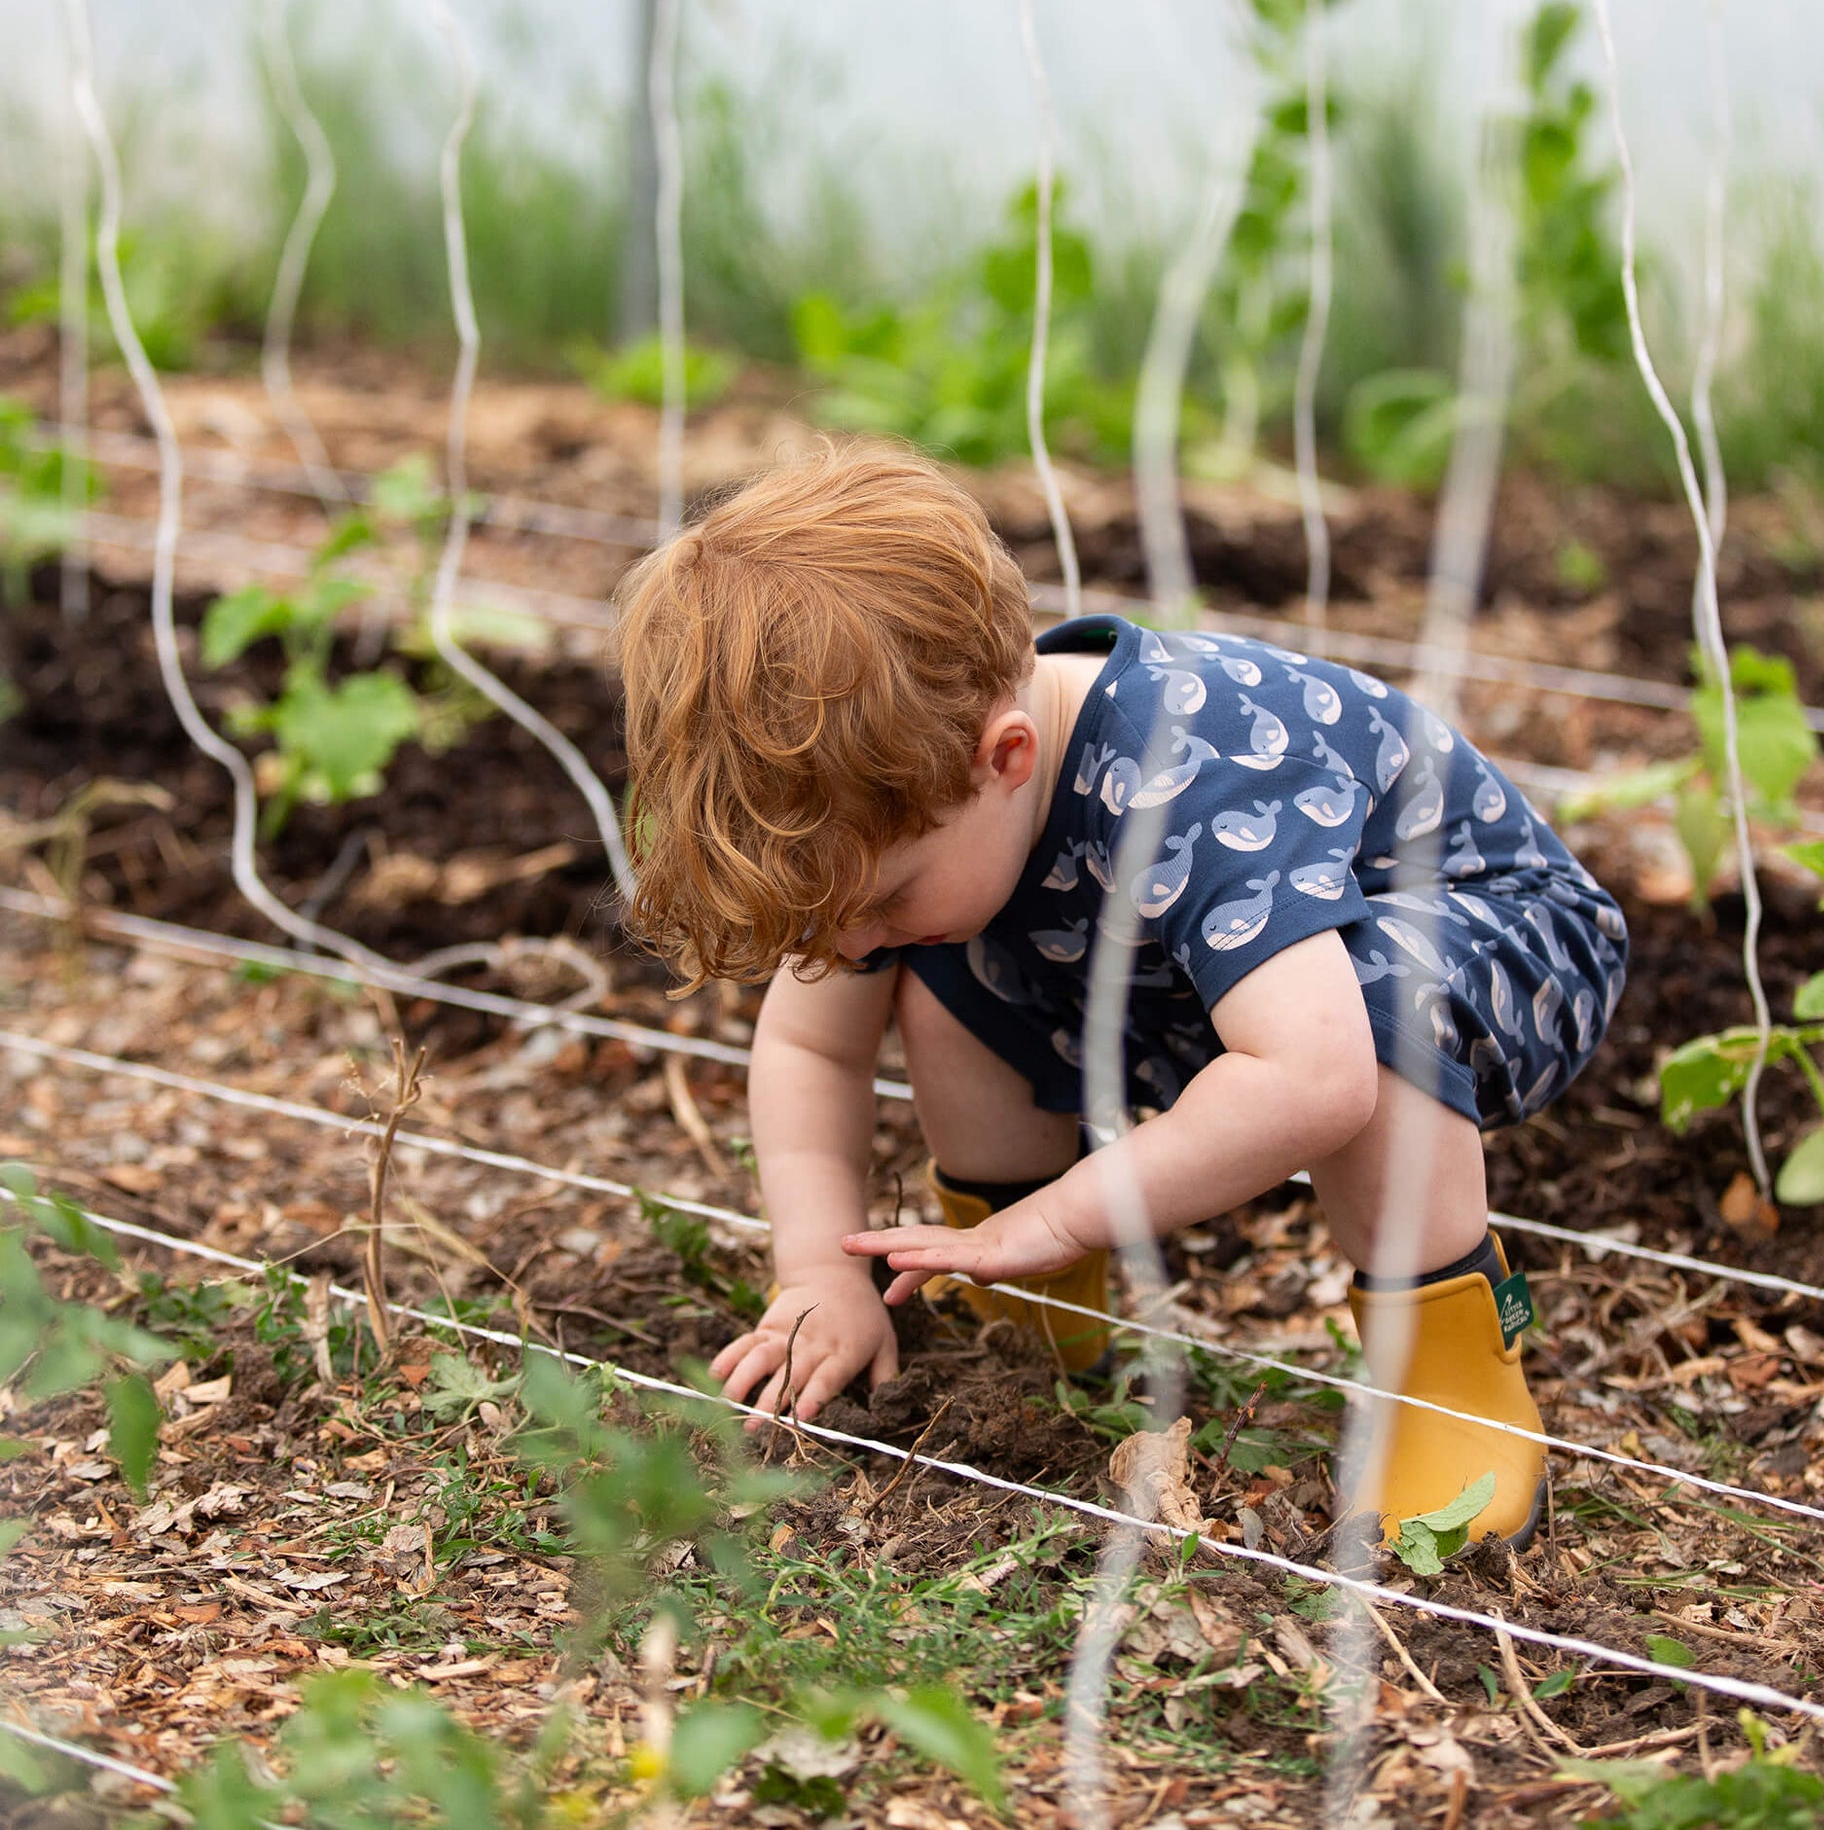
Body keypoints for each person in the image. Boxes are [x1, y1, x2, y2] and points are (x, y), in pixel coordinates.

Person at [614, 443, 1627, 1546]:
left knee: (1376, 996)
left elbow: (1316, 1074)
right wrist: (817, 1268)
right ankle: (1029, 1321)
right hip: (1201, 979)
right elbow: (812, 1049)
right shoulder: (914, 802)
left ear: (1004, 758)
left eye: (882, 897)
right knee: (944, 967)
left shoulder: (1184, 774)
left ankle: (1453, 1376)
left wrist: (1063, 1213)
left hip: (1494, 943)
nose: (851, 943)